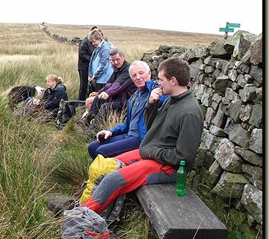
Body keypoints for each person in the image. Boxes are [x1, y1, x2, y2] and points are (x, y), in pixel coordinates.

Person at [81, 57, 204, 215]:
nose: (158, 83)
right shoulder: (171, 101)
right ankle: (80, 203)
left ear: (173, 81)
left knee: (113, 179)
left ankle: (81, 217)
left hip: (169, 168)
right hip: (153, 154)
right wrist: (151, 105)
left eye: (161, 80)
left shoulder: (189, 112)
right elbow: (152, 127)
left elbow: (183, 157)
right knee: (105, 165)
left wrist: (151, 152)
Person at [87, 60, 167, 159]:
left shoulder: (157, 91)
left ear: (149, 73)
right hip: (129, 135)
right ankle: (109, 167)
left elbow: (166, 101)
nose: (138, 77)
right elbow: (127, 123)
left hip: (142, 139)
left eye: (141, 73)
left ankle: (116, 168)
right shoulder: (134, 97)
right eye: (134, 75)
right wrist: (111, 131)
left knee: (101, 151)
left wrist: (154, 91)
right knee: (92, 147)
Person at [82, 48, 135, 125]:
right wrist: (99, 93)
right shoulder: (117, 69)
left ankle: (94, 127)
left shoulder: (128, 70)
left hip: (126, 100)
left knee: (105, 106)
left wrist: (107, 93)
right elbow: (109, 84)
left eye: (117, 59)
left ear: (123, 57)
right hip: (116, 97)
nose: (115, 62)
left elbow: (117, 85)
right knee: (97, 99)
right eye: (113, 60)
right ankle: (88, 120)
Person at [87, 28, 113, 94]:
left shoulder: (105, 48)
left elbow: (103, 65)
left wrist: (94, 77)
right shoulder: (99, 48)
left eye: (94, 41)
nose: (93, 44)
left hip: (103, 80)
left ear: (98, 38)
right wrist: (91, 75)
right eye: (91, 42)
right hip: (99, 79)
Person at [77, 26, 99, 101]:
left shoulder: (93, 42)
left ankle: (88, 100)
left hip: (91, 67)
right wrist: (92, 59)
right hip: (83, 67)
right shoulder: (85, 42)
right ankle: (80, 101)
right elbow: (82, 54)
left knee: (91, 85)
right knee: (84, 85)